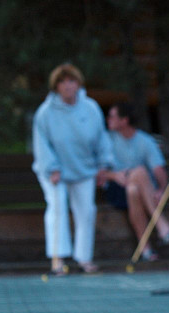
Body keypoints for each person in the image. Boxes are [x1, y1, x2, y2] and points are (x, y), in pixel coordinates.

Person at [32, 63, 113, 274]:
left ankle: (84, 258)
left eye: (71, 81)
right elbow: (41, 144)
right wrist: (52, 168)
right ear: (56, 86)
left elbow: (101, 138)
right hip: (55, 172)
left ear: (78, 84)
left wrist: (103, 164)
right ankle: (58, 259)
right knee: (57, 208)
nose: (67, 86)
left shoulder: (91, 108)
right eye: (62, 82)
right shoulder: (45, 112)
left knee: (86, 211)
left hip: (83, 169)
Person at [98, 103, 169, 261]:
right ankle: (163, 226)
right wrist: (115, 175)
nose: (108, 119)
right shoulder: (106, 139)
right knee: (139, 171)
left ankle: (146, 249)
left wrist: (161, 189)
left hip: (139, 191)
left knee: (134, 188)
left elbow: (158, 169)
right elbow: (97, 173)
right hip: (116, 190)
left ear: (124, 120)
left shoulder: (145, 141)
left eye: (112, 116)